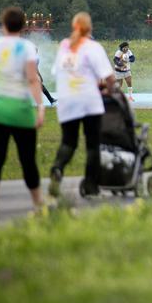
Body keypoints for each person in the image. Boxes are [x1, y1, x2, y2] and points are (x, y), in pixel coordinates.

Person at [0, 7, 45, 218]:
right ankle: (38, 204)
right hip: (19, 109)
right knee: (27, 159)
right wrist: (41, 107)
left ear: (3, 24)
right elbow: (32, 79)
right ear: (23, 25)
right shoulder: (26, 47)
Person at [48, 13, 116, 198]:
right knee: (93, 144)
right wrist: (111, 90)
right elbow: (109, 76)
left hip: (66, 100)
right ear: (89, 28)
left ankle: (58, 168)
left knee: (68, 141)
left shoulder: (64, 46)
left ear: (73, 26)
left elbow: (57, 72)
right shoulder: (92, 47)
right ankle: (91, 187)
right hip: (88, 100)